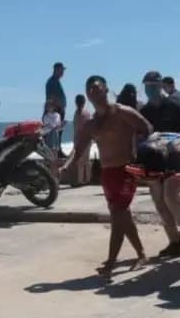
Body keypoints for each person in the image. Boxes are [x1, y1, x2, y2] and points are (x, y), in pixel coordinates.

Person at [61, 75, 153, 279]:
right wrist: (67, 165)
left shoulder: (122, 112)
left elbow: (147, 128)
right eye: (90, 90)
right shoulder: (92, 124)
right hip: (107, 173)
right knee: (122, 215)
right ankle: (141, 254)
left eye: (97, 88)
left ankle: (111, 262)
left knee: (118, 214)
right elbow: (79, 148)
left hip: (129, 170)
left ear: (105, 89)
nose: (93, 92)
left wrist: (140, 150)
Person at [139, 71, 180, 257]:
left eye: (153, 86)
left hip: (174, 159)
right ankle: (173, 240)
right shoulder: (145, 112)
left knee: (171, 196)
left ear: (160, 86)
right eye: (147, 86)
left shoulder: (174, 105)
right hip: (153, 161)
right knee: (159, 201)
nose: (150, 90)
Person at [45, 62, 67, 157]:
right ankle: (55, 153)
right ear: (57, 69)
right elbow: (51, 97)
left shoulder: (56, 81)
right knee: (55, 133)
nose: (63, 72)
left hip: (58, 110)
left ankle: (58, 151)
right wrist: (59, 106)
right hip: (55, 111)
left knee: (59, 132)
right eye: (62, 70)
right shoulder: (52, 81)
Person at [72, 94, 93, 186]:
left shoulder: (77, 113)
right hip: (86, 138)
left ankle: (80, 180)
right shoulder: (87, 113)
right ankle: (87, 179)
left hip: (79, 139)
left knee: (80, 161)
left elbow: (76, 128)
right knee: (86, 160)